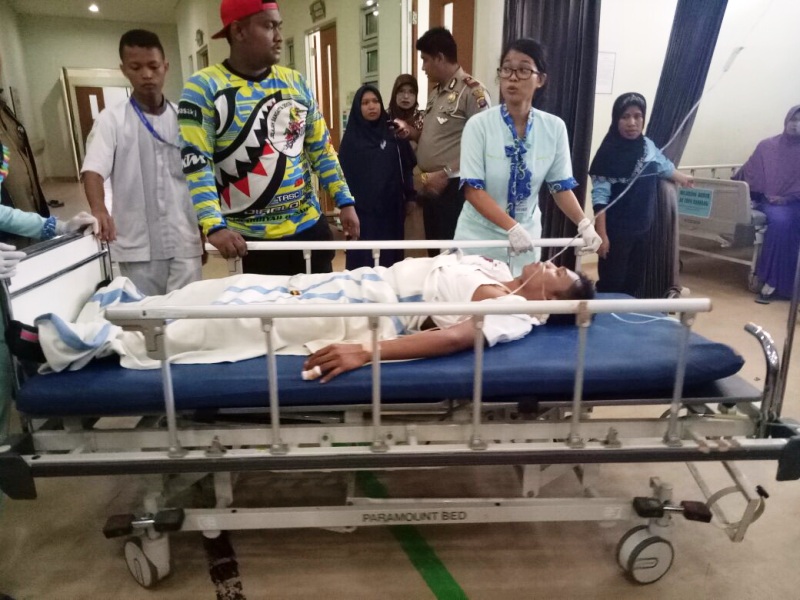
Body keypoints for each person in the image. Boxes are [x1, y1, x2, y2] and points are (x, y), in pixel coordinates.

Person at [39, 252, 593, 382]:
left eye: (561, 272)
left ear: (556, 303)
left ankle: (95, 343)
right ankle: (124, 309)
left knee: (237, 322)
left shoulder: (516, 313)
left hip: (369, 317)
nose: (552, 263)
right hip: (358, 282)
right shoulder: (496, 267)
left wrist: (366, 352)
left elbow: (454, 339)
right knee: (231, 287)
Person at [179, 0, 359, 276]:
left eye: (279, 26)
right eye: (268, 26)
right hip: (250, 242)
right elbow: (197, 163)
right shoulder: (204, 88)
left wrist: (344, 200)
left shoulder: (296, 83)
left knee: (319, 303)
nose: (278, 36)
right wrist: (213, 225)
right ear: (239, 31)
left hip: (308, 229)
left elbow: (321, 149)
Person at [456, 38, 602, 275]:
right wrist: (511, 227)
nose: (512, 77)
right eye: (506, 69)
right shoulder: (478, 125)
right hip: (479, 238)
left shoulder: (554, 128)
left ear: (540, 79)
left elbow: (560, 187)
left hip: (527, 238)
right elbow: (473, 191)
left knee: (521, 295)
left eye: (523, 70)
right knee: (479, 295)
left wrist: (584, 223)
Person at [82, 30, 203, 297]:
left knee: (188, 313)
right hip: (137, 246)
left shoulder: (184, 119)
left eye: (153, 66)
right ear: (124, 70)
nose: (147, 74)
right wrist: (99, 208)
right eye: (136, 67)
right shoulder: (111, 120)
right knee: (145, 315)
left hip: (184, 238)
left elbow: (199, 176)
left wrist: (204, 228)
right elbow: (93, 170)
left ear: (165, 67)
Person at [393, 27, 490, 256]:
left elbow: (484, 145)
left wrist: (445, 174)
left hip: (454, 186)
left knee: (453, 255)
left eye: (425, 60)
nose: (423, 67)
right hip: (432, 186)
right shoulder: (436, 93)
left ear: (440, 57)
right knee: (436, 253)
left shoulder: (473, 92)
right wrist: (411, 133)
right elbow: (435, 136)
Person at [589, 92, 694, 297]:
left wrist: (682, 178)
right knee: (612, 281)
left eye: (637, 116)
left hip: (644, 228)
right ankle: (606, 315)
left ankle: (627, 314)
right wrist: (601, 234)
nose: (632, 123)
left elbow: (663, 166)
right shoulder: (607, 153)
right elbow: (600, 199)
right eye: (625, 116)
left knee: (634, 280)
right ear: (616, 119)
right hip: (616, 232)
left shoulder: (648, 146)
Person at [339, 85, 415, 270]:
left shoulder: (393, 133)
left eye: (375, 101)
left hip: (391, 211)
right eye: (365, 103)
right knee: (363, 263)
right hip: (362, 213)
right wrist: (345, 206)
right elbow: (342, 178)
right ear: (358, 107)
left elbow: (406, 167)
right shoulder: (351, 140)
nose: (371, 106)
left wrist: (410, 197)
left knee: (391, 263)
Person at [733, 105, 800, 303]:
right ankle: (773, 281)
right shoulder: (767, 146)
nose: (796, 125)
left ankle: (781, 282)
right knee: (780, 220)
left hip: (795, 202)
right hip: (767, 201)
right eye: (793, 120)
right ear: (786, 120)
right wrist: (736, 188)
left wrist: (788, 198)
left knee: (784, 221)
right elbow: (749, 172)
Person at [388, 74, 424, 141]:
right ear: (395, 94)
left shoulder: (423, 118)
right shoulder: (385, 117)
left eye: (411, 92)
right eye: (401, 91)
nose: (406, 96)